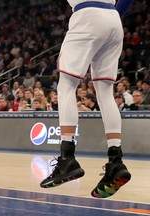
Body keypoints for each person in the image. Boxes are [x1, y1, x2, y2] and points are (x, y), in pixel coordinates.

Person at [40, 0, 133, 198]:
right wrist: (115, 14)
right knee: (105, 92)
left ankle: (67, 158)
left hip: (86, 15)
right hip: (113, 19)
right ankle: (116, 161)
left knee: (66, 85)